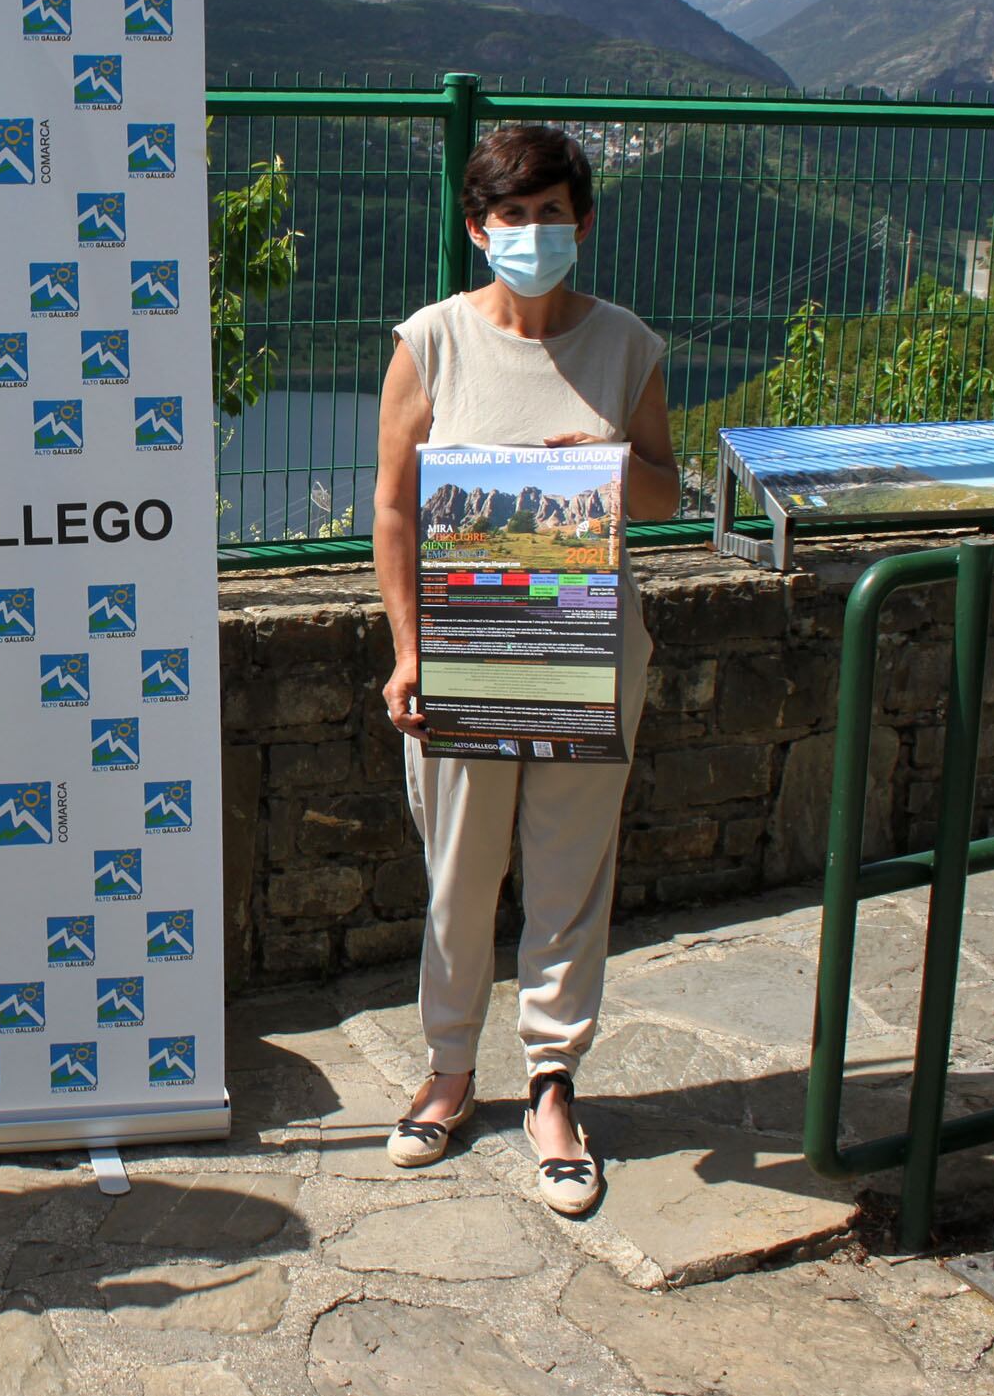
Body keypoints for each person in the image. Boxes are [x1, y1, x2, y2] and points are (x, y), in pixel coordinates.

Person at [369, 124, 678, 1217]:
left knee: (569, 871)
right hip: (466, 644)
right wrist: (408, 649)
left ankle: (552, 1085)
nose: (533, 232)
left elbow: (666, 490)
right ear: (477, 227)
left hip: (585, 647)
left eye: (552, 213)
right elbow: (393, 508)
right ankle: (448, 1072)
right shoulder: (431, 342)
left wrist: (602, 466)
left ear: (582, 224)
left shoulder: (626, 344)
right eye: (513, 215)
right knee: (458, 869)